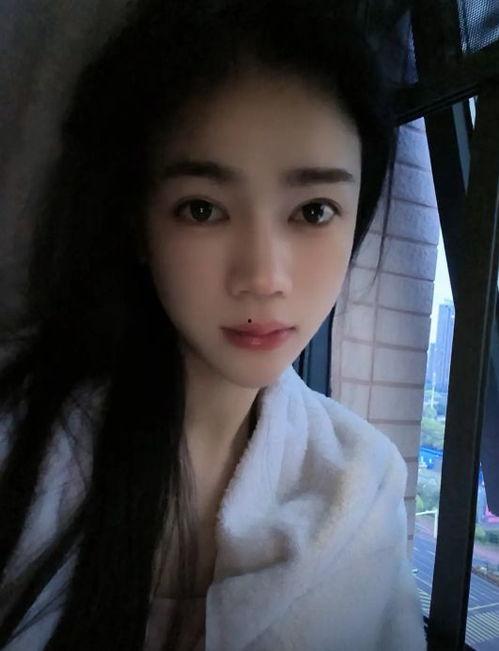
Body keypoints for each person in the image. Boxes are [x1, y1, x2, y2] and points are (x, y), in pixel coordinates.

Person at [0, 0, 427, 649]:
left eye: (314, 211)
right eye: (202, 208)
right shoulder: (16, 436)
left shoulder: (361, 484)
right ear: (137, 223)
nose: (263, 276)